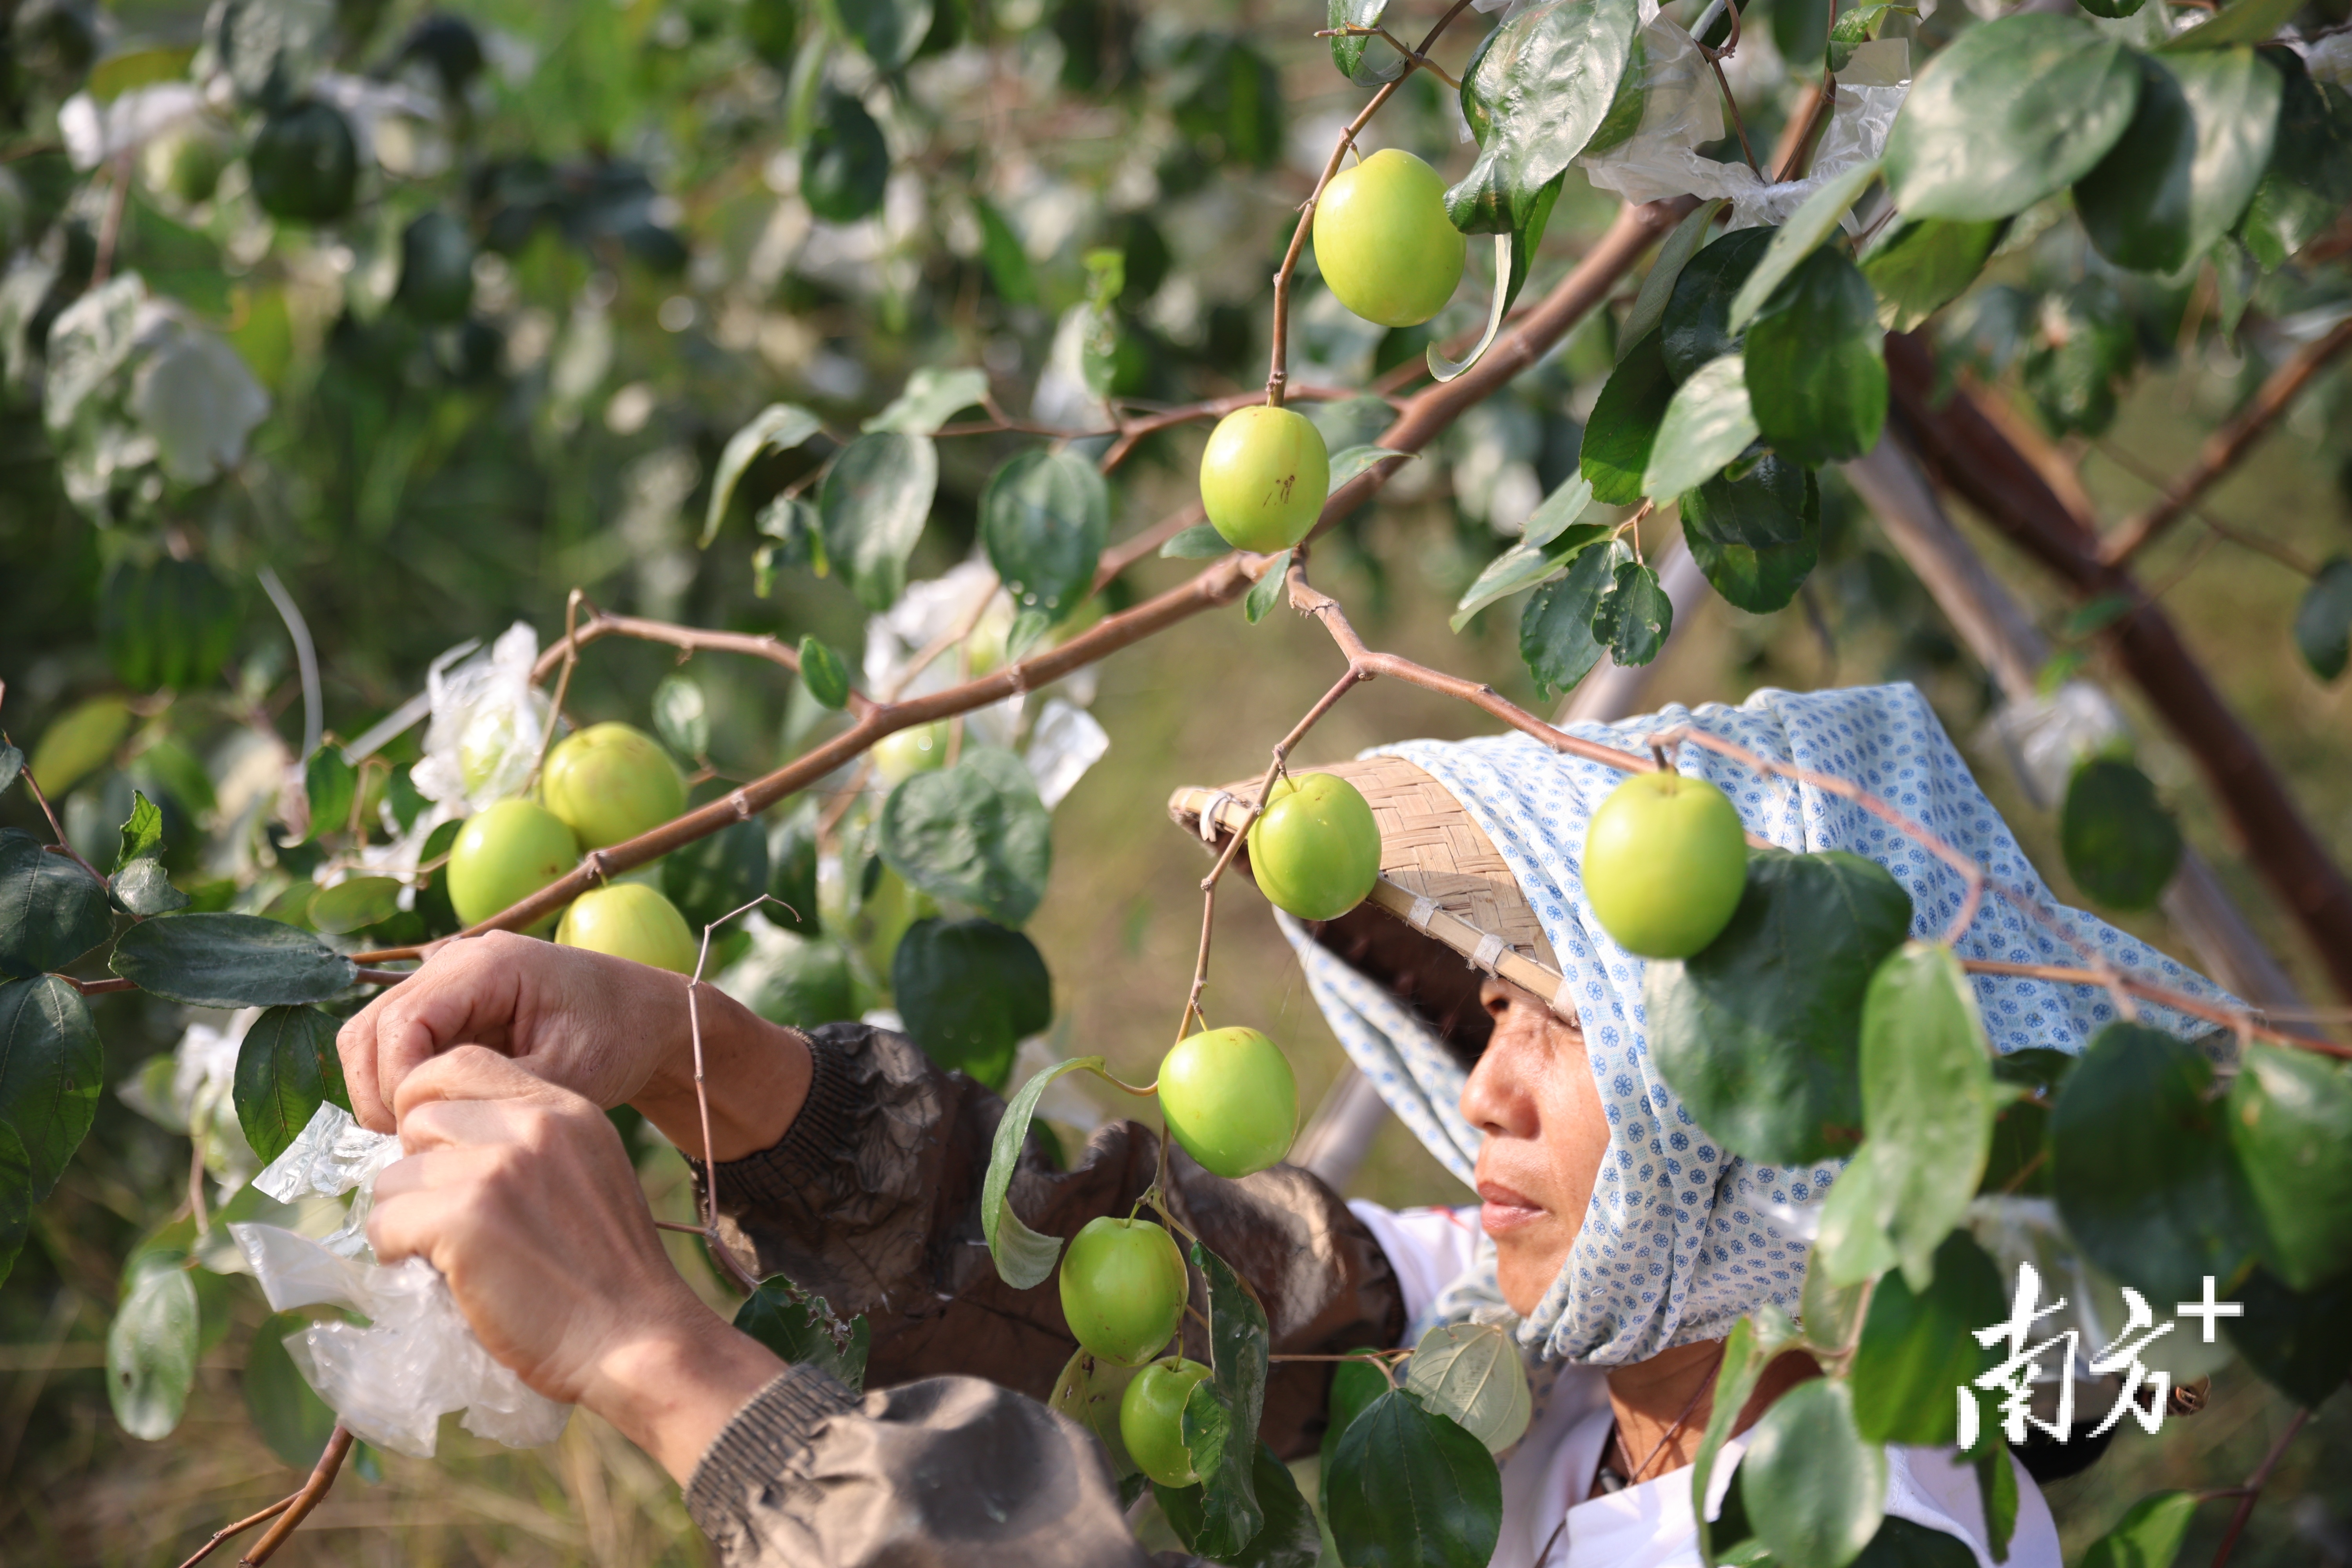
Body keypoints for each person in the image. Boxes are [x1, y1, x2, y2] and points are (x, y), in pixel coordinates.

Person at [344, 684, 2226, 1567]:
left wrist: (657, 1360)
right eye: (1494, 1011)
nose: (1480, 1084)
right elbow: (1175, 1283)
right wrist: (707, 1058)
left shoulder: (1867, 1542)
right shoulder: (1595, 1373)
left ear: (1783, 1120)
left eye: (1564, 1029)